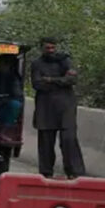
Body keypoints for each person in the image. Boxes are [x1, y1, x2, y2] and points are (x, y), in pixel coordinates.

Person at [31, 37, 85, 179]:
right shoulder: (37, 64)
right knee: (46, 143)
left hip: (66, 106)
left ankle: (75, 172)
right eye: (47, 48)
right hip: (45, 107)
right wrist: (61, 81)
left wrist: (50, 80)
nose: (51, 51)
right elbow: (37, 84)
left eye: (53, 48)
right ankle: (46, 173)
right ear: (41, 48)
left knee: (69, 139)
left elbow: (72, 80)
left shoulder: (65, 61)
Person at [0, 54, 23, 126]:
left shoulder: (15, 79)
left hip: (5, 108)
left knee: (15, 104)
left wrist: (4, 100)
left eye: (5, 63)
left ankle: (4, 131)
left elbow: (18, 96)